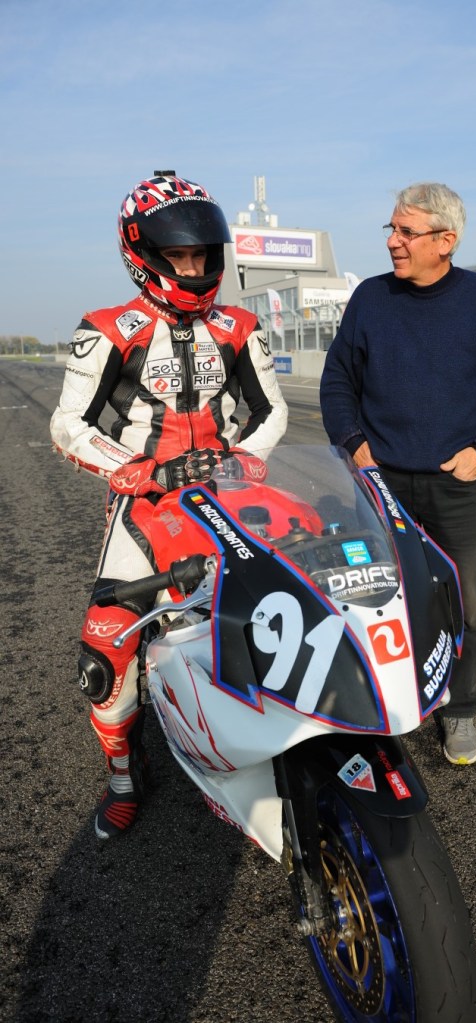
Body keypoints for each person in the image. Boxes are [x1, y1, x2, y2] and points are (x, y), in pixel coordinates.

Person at [50, 171, 288, 839]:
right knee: (102, 658)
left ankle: (291, 740)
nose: (193, 267)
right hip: (145, 512)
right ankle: (125, 773)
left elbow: (271, 412)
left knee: (287, 610)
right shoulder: (105, 329)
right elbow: (69, 424)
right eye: (179, 255)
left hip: (231, 500)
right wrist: (132, 467)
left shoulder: (240, 325)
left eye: (202, 255)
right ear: (143, 253)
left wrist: (244, 456)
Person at [319, 182, 476, 767]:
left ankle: (460, 710)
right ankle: (379, 701)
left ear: (446, 241)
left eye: (405, 231)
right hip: (378, 482)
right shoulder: (370, 298)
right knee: (372, 600)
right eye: (390, 229)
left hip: (456, 485)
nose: (392, 241)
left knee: (469, 605)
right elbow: (339, 377)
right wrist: (353, 442)